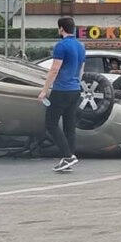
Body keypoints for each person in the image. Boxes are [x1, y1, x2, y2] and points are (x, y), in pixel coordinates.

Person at [38, 16, 86, 172]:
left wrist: (44, 90)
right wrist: (77, 83)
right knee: (69, 126)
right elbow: (81, 69)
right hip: (75, 89)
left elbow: (54, 69)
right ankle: (69, 158)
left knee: (51, 124)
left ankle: (67, 156)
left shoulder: (61, 46)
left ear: (61, 29)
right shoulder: (80, 46)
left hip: (61, 90)